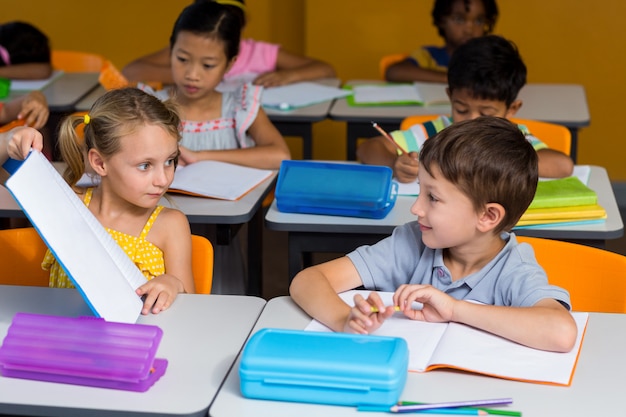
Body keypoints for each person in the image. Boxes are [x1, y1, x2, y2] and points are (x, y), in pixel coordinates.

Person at [290, 117, 578, 353]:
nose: (416, 208)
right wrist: (345, 321)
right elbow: (307, 280)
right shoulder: (412, 241)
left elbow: (561, 331)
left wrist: (454, 309)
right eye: (420, 190)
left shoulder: (514, 268)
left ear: (487, 216)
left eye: (433, 198)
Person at [27, 87, 195, 315]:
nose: (163, 179)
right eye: (145, 165)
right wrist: (9, 139)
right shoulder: (69, 205)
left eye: (170, 161)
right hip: (65, 342)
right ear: (100, 163)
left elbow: (194, 310)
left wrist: (174, 286)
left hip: (139, 346)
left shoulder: (170, 225)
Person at [360, 35, 574, 183]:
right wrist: (395, 163)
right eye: (462, 109)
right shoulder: (435, 132)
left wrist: (497, 159)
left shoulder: (512, 138)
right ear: (450, 97)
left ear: (512, 109)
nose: (472, 121)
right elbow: (368, 148)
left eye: (487, 113)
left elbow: (563, 166)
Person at [141, 0, 290, 169]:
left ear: (229, 64)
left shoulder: (240, 106)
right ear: (171, 51)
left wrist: (199, 157)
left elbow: (280, 155)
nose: (192, 75)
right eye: (182, 59)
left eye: (208, 65)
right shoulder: (150, 107)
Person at [122, 0, 336, 89]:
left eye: (209, 64)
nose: (195, 72)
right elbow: (130, 71)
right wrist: (187, 74)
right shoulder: (186, 50)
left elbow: (326, 70)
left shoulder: (262, 53)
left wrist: (286, 76)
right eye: (183, 59)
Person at [385, 0, 498, 83]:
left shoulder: (490, 59)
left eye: (479, 21)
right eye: (459, 19)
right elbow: (394, 72)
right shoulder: (428, 56)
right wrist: (453, 79)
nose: (469, 29)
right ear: (441, 21)